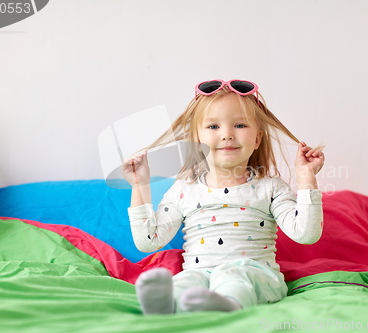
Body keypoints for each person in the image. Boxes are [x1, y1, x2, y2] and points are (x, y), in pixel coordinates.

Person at [122, 79, 325, 314]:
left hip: (258, 277)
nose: (227, 134)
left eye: (239, 125)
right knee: (184, 281)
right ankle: (166, 305)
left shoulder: (271, 188)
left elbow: (306, 234)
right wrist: (139, 185)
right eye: (213, 127)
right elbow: (148, 241)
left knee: (232, 274)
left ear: (257, 139)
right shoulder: (183, 190)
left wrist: (306, 175)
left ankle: (229, 305)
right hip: (200, 276)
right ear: (198, 140)